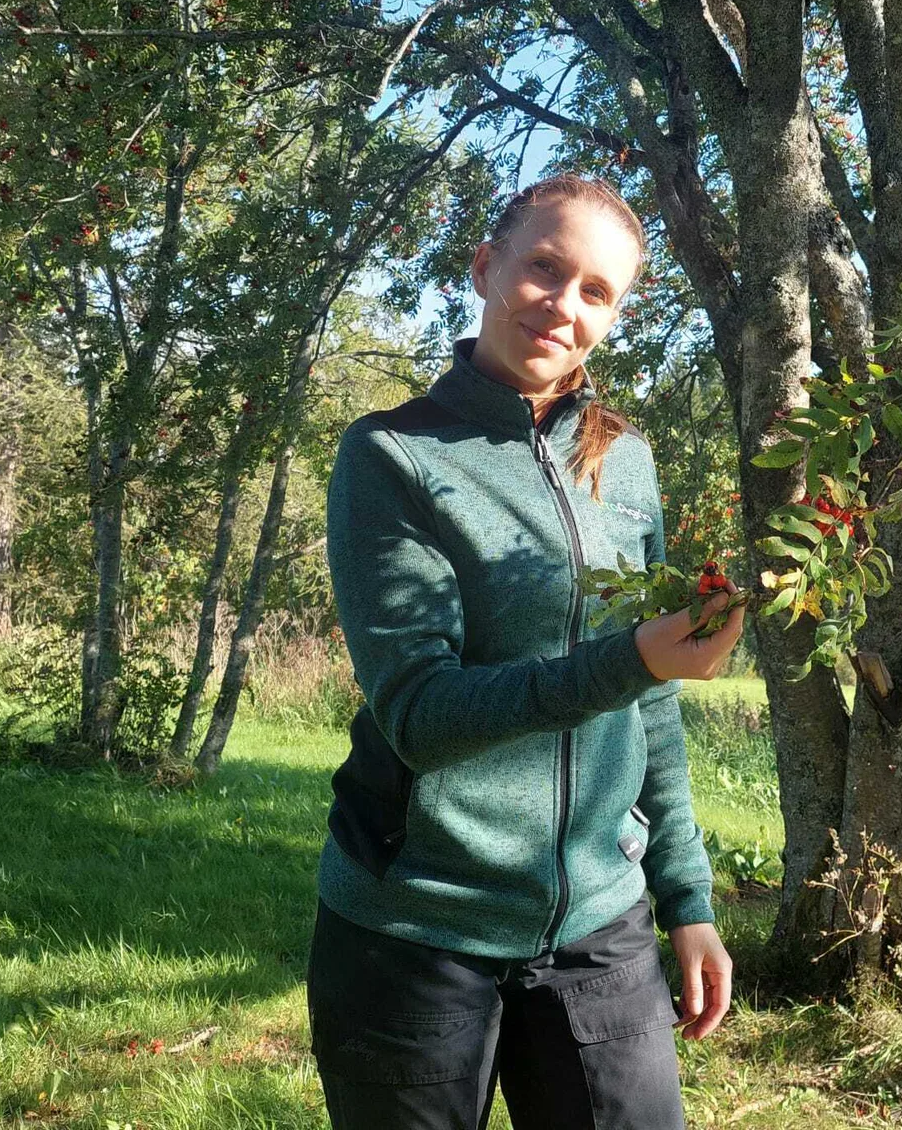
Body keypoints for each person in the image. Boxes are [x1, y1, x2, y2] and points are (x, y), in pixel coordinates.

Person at [308, 173, 746, 1129]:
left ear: (614, 316)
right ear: (485, 267)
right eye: (544, 268)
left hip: (599, 920)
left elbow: (651, 707)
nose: (563, 304)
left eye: (597, 291)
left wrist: (687, 899)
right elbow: (420, 713)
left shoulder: (626, 464)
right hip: (416, 927)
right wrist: (634, 659)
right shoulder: (393, 457)